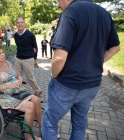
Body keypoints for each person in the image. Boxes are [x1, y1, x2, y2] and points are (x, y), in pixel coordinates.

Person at [42, 0, 120, 140]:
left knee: (49, 122)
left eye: (58, 2)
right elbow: (115, 48)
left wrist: (54, 76)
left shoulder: (70, 12)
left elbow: (59, 58)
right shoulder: (104, 14)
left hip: (67, 84)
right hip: (91, 85)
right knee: (79, 124)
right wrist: (94, 61)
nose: (59, 6)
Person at [0, 43, 42, 140]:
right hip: (1, 96)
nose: (3, 54)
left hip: (15, 91)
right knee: (30, 106)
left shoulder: (9, 63)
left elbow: (19, 75)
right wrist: (8, 86)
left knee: (36, 100)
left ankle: (43, 129)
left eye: (2, 52)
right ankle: (28, 137)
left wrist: (20, 80)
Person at [14, 17, 42, 97]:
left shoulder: (30, 35)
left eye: (21, 22)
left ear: (24, 23)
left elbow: (35, 47)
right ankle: (18, 91)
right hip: (18, 58)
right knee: (17, 76)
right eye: (18, 22)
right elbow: (18, 46)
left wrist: (35, 59)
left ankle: (38, 91)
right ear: (16, 24)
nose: (20, 24)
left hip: (28, 59)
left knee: (29, 77)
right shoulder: (15, 35)